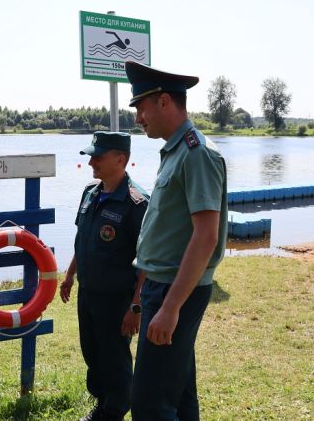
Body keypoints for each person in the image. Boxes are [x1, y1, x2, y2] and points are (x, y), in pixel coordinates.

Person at [125, 61, 228, 421]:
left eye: (141, 107)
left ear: (164, 101)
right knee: (180, 395)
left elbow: (206, 236)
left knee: (150, 405)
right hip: (163, 286)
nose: (139, 117)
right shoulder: (176, 150)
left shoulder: (197, 153)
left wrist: (170, 308)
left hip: (173, 291)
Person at [60, 131, 149, 421]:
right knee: (92, 352)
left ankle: (114, 411)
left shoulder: (137, 204)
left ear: (120, 159)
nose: (91, 163)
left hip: (116, 298)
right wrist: (70, 275)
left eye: (98, 157)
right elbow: (81, 239)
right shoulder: (90, 193)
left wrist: (136, 306)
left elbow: (147, 260)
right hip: (88, 291)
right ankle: (102, 403)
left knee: (115, 357)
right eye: (91, 157)